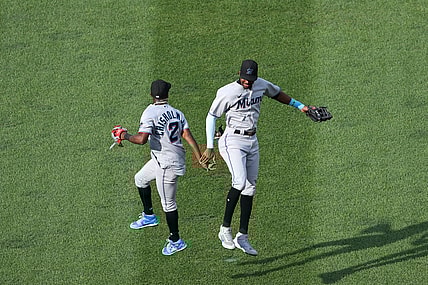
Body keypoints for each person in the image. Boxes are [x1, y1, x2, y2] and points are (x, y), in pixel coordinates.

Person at [200, 59, 313, 256]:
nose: (248, 82)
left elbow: (277, 94)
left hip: (252, 140)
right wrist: (210, 147)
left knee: (250, 187)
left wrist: (301, 106)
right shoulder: (226, 92)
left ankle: (242, 236)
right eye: (245, 78)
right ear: (239, 74)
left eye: (251, 79)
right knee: (239, 181)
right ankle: (224, 229)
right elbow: (212, 116)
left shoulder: (260, 84)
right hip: (232, 140)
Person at [115, 79, 206, 256]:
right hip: (164, 159)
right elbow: (186, 135)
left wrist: (124, 135)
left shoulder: (150, 112)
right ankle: (149, 216)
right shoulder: (177, 113)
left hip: (167, 164)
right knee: (140, 179)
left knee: (168, 203)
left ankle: (176, 240)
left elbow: (141, 139)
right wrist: (199, 156)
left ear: (151, 95)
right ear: (167, 95)